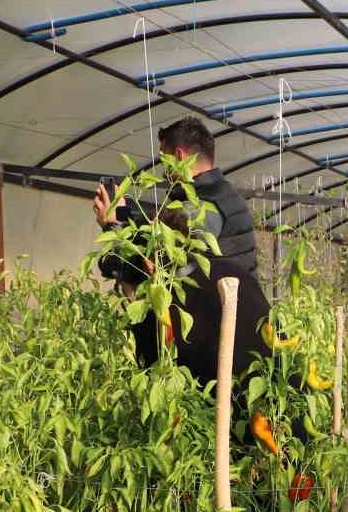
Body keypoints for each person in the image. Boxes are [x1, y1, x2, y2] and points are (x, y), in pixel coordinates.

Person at [91, 116, 270, 382]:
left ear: (178, 155)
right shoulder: (219, 196)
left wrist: (112, 228)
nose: (164, 171)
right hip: (238, 330)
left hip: (222, 341)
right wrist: (129, 215)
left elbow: (166, 263)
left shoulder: (203, 209)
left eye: (165, 161)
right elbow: (164, 226)